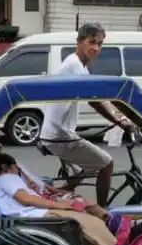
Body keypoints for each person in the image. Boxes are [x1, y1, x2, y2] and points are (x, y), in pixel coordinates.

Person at [0, 152, 129, 245]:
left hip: (32, 214)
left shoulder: (0, 182)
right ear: (5, 168)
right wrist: (59, 205)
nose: (18, 171)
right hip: (35, 215)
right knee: (93, 223)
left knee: (85, 213)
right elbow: (26, 199)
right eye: (16, 168)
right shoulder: (6, 178)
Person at [39, 23, 134, 207]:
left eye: (100, 44)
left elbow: (99, 95)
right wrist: (119, 122)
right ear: (79, 42)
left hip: (57, 134)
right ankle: (102, 212)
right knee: (106, 164)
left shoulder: (79, 65)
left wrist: (120, 115)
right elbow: (94, 100)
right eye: (92, 42)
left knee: (82, 171)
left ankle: (57, 195)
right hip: (60, 136)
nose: (96, 48)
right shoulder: (73, 64)